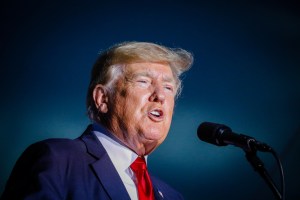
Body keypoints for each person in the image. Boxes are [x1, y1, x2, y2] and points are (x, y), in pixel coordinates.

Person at [1, 41, 193, 200]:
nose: (160, 95)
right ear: (102, 99)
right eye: (143, 81)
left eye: (168, 88)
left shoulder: (171, 196)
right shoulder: (58, 160)